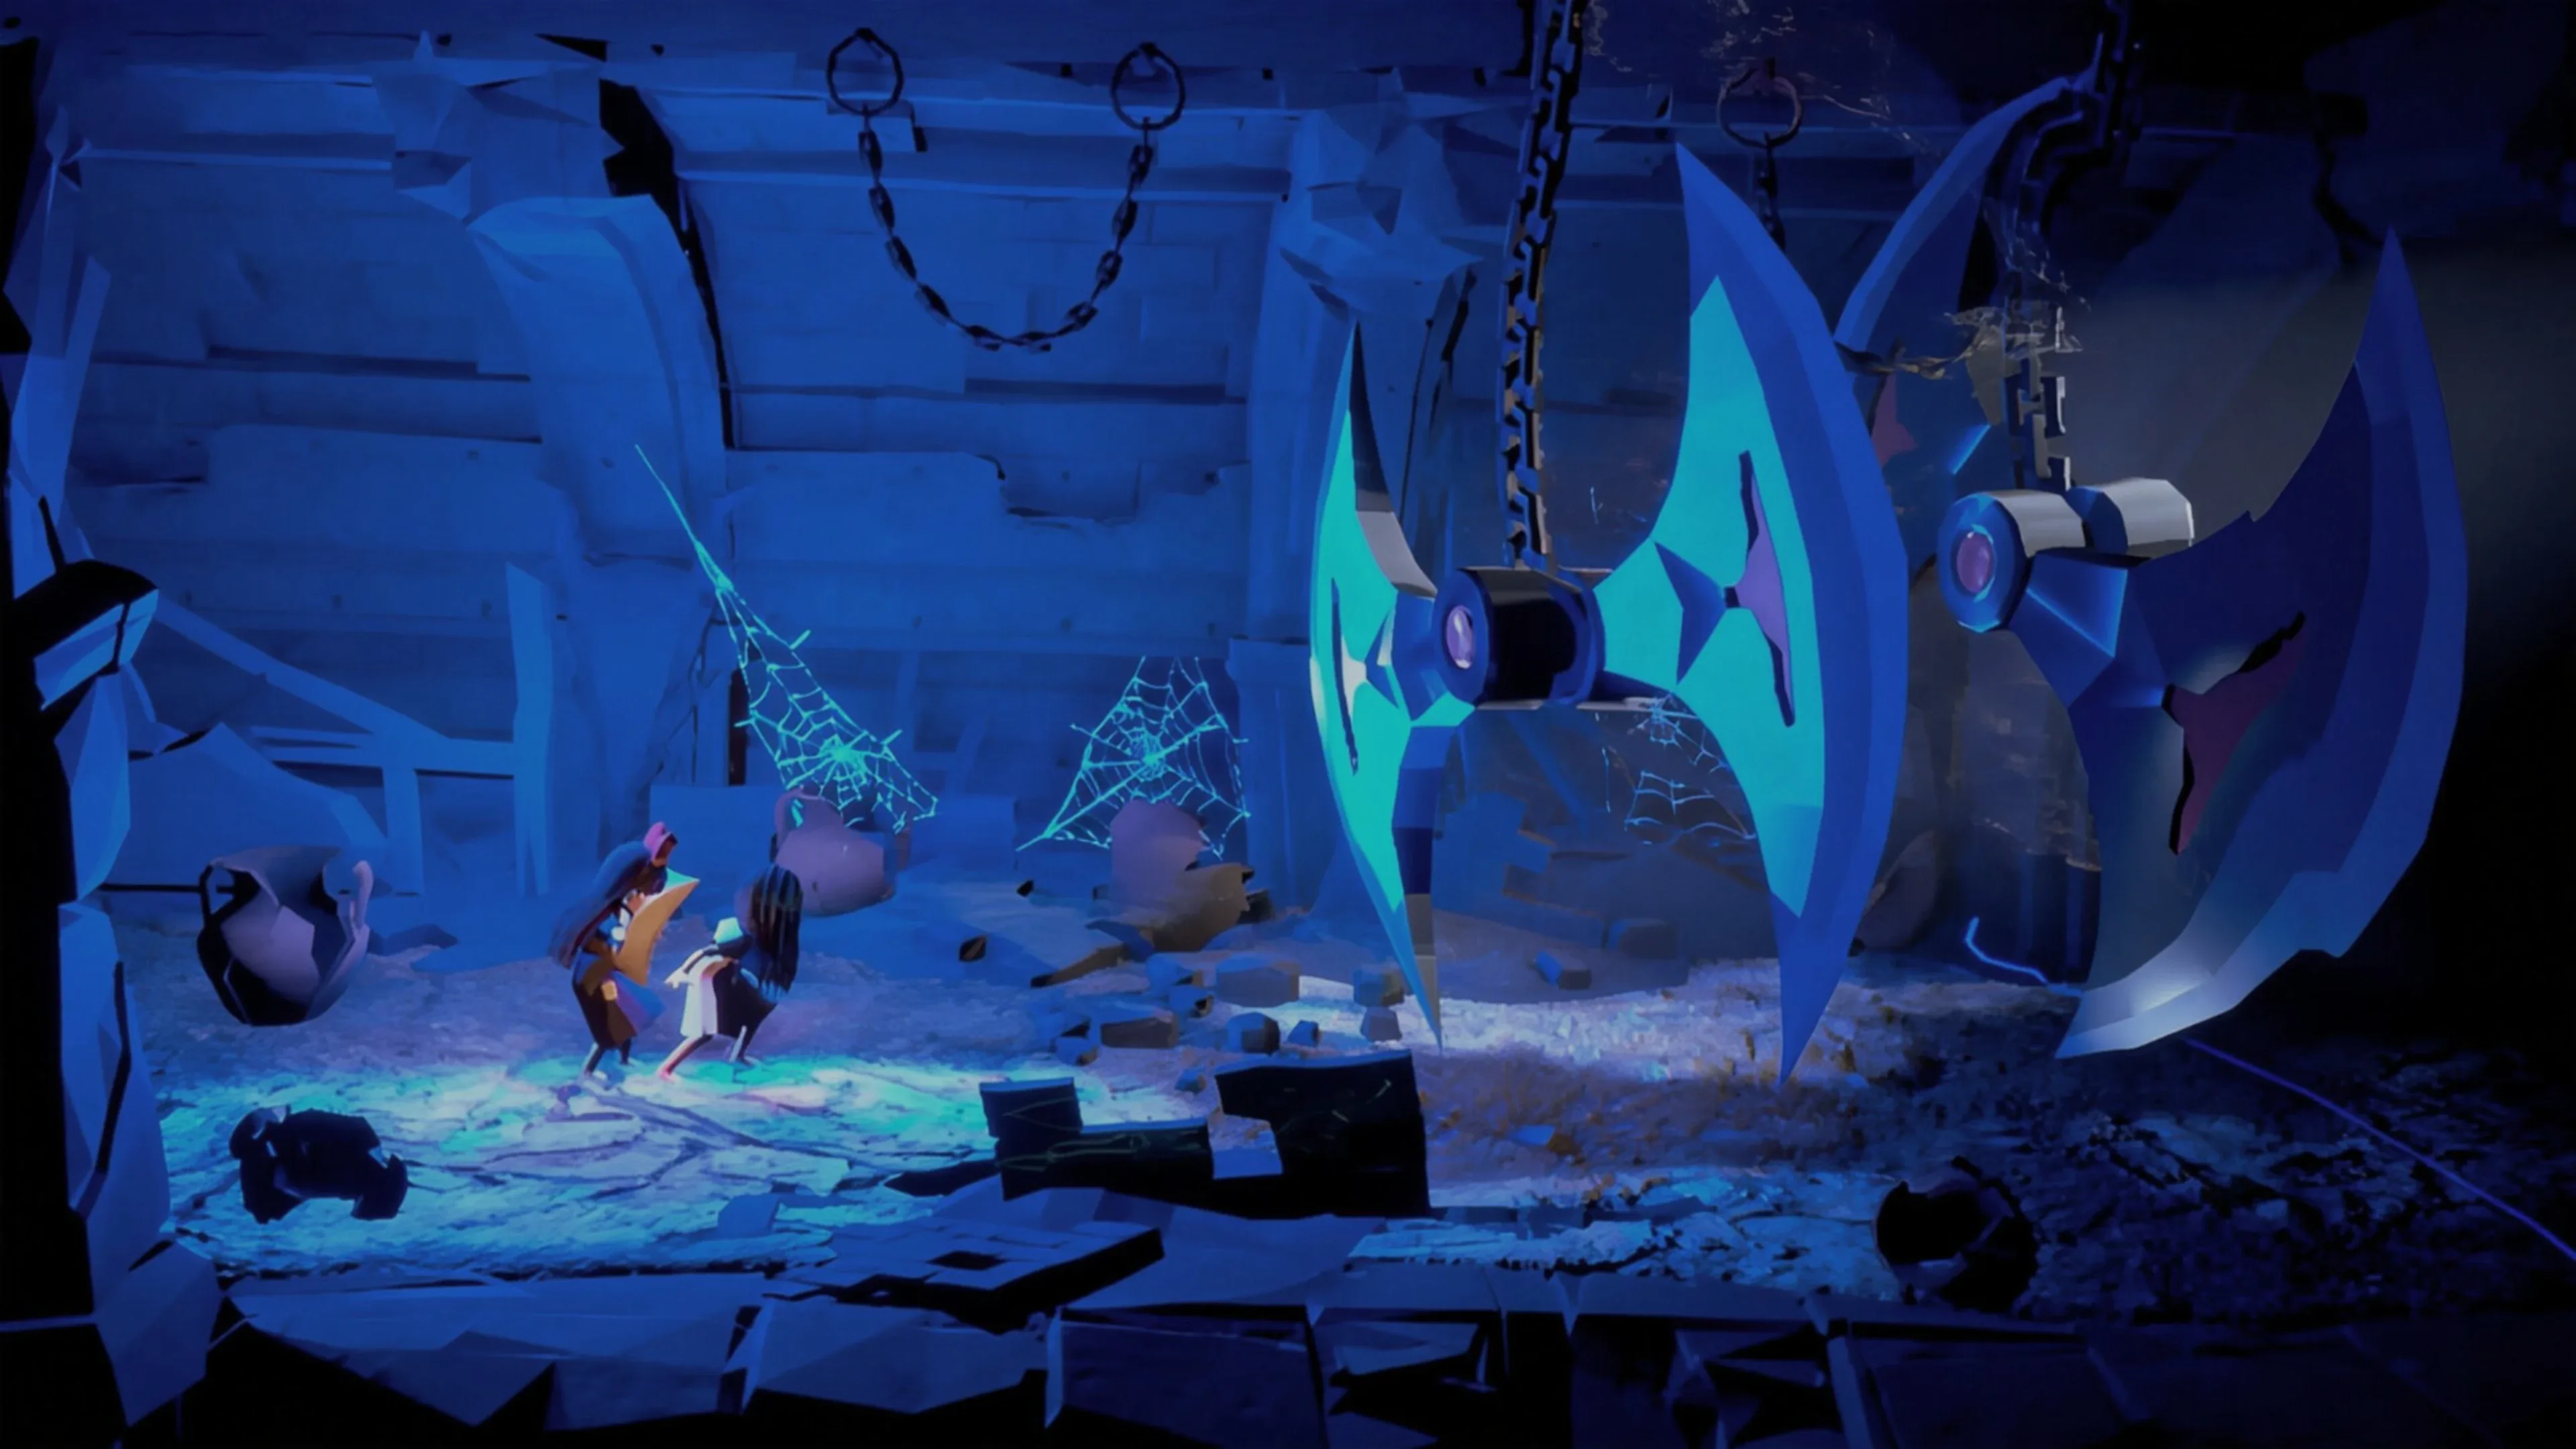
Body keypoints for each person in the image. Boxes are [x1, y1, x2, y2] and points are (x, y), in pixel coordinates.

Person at [547, 824, 683, 1075]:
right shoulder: (607, 916)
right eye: (646, 890)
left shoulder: (622, 910)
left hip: (608, 973)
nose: (646, 896)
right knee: (608, 1029)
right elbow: (607, 942)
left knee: (626, 1020)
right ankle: (588, 1072)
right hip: (595, 976)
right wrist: (621, 942)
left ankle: (623, 1060)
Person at [659, 866, 803, 1079]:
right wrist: (683, 972)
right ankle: (666, 1070)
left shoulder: (778, 945)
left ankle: (737, 1056)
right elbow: (708, 952)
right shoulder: (744, 938)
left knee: (749, 1023)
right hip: (732, 986)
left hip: (756, 991)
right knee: (705, 1032)